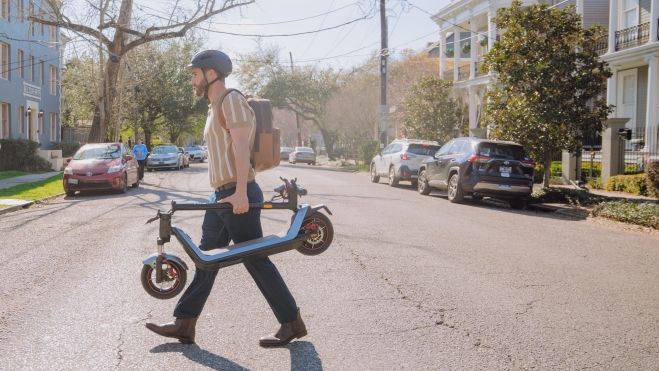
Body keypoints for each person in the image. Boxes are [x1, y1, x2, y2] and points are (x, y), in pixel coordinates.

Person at [145, 50, 306, 346]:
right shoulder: (213, 106)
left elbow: (242, 145)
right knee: (206, 259)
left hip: (236, 192)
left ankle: (291, 321)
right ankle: (184, 323)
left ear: (211, 74)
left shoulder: (231, 100)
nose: (191, 81)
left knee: (255, 259)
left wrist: (242, 191)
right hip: (220, 195)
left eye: (195, 74)